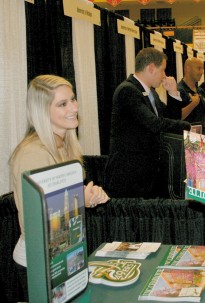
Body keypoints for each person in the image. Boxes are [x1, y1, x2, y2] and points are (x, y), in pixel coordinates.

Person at [9, 75, 110, 301]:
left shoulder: (64, 145)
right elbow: (34, 224)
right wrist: (79, 199)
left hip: (62, 257)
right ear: (42, 111)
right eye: (63, 104)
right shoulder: (32, 153)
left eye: (72, 100)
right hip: (38, 264)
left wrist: (86, 197)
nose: (74, 108)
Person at [104, 47, 191, 198]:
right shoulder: (128, 90)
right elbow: (154, 124)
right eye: (162, 70)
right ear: (151, 68)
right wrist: (187, 127)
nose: (164, 75)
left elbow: (170, 118)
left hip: (146, 174)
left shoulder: (152, 94)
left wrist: (172, 94)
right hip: (128, 175)